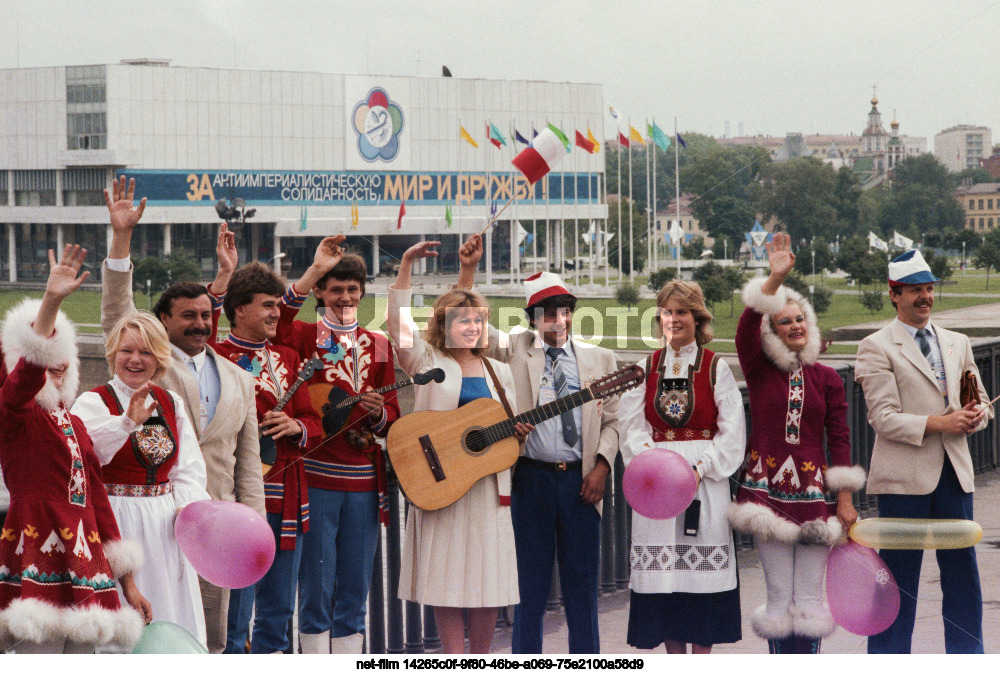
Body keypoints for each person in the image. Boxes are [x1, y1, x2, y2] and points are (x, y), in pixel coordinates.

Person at [101, 176, 265, 653]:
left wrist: (253, 526)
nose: (200, 323)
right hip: (159, 528)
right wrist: (122, 239)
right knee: (155, 633)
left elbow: (247, 463)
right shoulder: (156, 367)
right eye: (188, 316)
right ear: (164, 324)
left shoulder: (239, 378)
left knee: (210, 639)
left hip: (220, 530)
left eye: (206, 314)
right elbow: (117, 314)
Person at [456, 234, 619, 654]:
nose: (557, 319)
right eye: (547, 312)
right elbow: (467, 322)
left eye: (563, 310)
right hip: (530, 482)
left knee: (583, 588)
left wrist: (600, 467)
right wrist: (469, 271)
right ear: (532, 319)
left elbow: (615, 423)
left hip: (581, 485)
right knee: (527, 586)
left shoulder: (599, 361)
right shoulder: (515, 349)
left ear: (571, 315)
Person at [0, 245, 151, 653]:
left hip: (85, 557)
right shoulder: (15, 414)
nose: (60, 362)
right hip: (37, 548)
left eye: (64, 353)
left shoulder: (74, 423)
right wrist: (51, 301)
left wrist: (129, 585)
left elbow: (97, 502)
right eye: (50, 353)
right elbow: (24, 379)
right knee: (38, 653)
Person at [387, 240, 531, 654]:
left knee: (488, 583)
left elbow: (510, 437)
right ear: (443, 324)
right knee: (445, 580)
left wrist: (518, 435)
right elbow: (398, 323)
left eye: (477, 320)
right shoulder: (426, 360)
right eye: (461, 319)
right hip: (441, 486)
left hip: (487, 489)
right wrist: (407, 266)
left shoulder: (499, 370)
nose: (470, 326)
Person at [729, 233, 865, 654]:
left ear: (811, 326)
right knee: (777, 602)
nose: (794, 326)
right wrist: (774, 281)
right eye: (784, 321)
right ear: (773, 330)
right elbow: (747, 325)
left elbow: (840, 440)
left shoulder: (826, 379)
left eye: (799, 319)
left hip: (812, 500)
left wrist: (843, 499)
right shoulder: (759, 369)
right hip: (765, 496)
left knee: (808, 602)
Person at [855, 249, 992, 654]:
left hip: (955, 476)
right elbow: (883, 419)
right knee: (896, 582)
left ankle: (969, 659)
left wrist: (975, 415)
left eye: (929, 289)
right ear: (894, 295)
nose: (925, 298)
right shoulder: (876, 346)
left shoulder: (957, 342)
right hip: (904, 482)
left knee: (963, 579)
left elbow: (977, 400)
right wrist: (941, 424)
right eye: (915, 290)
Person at [270, 237, 400, 654]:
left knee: (355, 590)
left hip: (363, 484)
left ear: (362, 294)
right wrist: (311, 271)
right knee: (315, 589)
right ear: (321, 294)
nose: (345, 297)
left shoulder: (379, 343)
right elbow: (279, 319)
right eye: (336, 289)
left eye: (352, 290)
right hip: (315, 480)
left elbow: (393, 415)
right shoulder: (303, 336)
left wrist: (379, 412)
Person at [618, 280, 746, 653]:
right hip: (657, 489)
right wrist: (656, 466)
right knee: (666, 586)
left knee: (700, 590)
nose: (674, 319)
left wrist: (698, 469)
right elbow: (631, 426)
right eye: (667, 312)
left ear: (697, 317)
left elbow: (732, 431)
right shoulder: (645, 368)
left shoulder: (715, 367)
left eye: (682, 312)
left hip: (703, 486)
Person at [72, 312, 211, 647]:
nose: (135, 360)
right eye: (126, 351)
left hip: (165, 525)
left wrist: (184, 510)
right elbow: (87, 456)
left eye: (146, 352)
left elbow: (188, 469)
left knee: (169, 610)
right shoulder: (92, 401)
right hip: (117, 521)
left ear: (159, 359)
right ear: (113, 355)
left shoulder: (170, 402)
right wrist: (125, 423)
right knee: (124, 619)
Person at [209, 262, 322, 654]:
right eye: (267, 305)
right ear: (239, 309)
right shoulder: (216, 356)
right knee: (235, 613)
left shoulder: (290, 358)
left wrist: (295, 426)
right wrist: (223, 274)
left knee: (277, 610)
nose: (277, 313)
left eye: (278, 305)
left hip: (288, 498)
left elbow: (314, 421)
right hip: (240, 500)